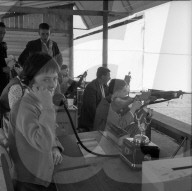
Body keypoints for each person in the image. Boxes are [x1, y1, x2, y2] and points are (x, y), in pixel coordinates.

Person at [8, 52, 63, 191]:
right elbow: (42, 141)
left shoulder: (37, 102)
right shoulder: (23, 107)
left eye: (55, 79)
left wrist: (54, 146)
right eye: (46, 79)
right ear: (30, 80)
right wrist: (48, 108)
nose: (52, 85)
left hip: (43, 172)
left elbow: (49, 129)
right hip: (30, 181)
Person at [78, 67, 111, 132]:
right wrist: (101, 121)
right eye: (108, 76)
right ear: (102, 76)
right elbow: (91, 109)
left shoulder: (105, 87)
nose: (109, 78)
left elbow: (107, 101)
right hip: (90, 123)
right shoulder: (91, 87)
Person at [0, 22, 10, 95]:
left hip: (3, 83)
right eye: (0, 33)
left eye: (4, 33)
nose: (2, 35)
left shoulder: (3, 46)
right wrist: (2, 69)